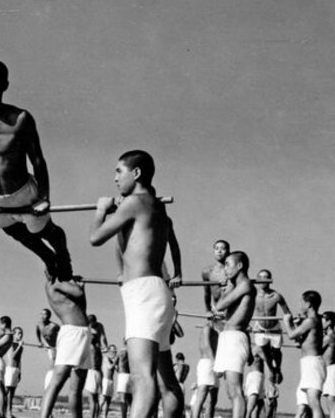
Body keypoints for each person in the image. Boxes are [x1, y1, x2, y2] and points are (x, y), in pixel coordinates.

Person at [89, 150, 184, 418]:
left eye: (119, 171)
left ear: (137, 173)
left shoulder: (134, 204)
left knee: (142, 379)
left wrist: (101, 211)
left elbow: (95, 237)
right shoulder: (155, 206)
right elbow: (126, 243)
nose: (115, 178)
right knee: (167, 383)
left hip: (143, 294)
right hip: (156, 292)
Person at [0, 58, 73, 277]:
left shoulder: (20, 118)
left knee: (48, 232)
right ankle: (47, 257)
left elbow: (38, 160)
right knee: (14, 231)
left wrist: (44, 197)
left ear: (4, 85)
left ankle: (63, 257)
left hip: (24, 194)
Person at [40, 271, 92, 418]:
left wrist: (82, 287)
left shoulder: (65, 285)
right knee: (58, 380)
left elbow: (81, 306)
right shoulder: (56, 283)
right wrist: (78, 285)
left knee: (76, 388)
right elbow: (78, 292)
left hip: (82, 332)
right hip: (72, 334)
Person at [211, 252, 256, 418]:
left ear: (240, 266)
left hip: (235, 339)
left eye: (228, 264)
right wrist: (227, 288)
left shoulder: (245, 285)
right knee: (231, 392)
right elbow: (220, 305)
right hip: (227, 337)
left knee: (235, 390)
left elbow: (220, 306)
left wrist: (228, 286)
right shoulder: (237, 286)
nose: (225, 269)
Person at [283, 291, 325, 418]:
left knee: (314, 402)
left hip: (312, 363)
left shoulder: (311, 321)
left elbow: (290, 335)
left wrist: (286, 321)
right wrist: (295, 324)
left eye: (302, 302)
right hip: (308, 363)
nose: (300, 305)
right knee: (306, 402)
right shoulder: (311, 321)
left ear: (308, 304)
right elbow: (301, 342)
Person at [252, 269, 291, 384]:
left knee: (276, 351)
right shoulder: (253, 295)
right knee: (265, 352)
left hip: (274, 328)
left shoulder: (276, 296)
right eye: (261, 277)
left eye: (266, 277)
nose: (263, 280)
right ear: (258, 280)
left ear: (270, 280)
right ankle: (271, 369)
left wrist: (293, 327)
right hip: (260, 328)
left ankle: (278, 368)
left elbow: (287, 312)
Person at [191, 320, 219, 418]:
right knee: (201, 396)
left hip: (214, 363)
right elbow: (207, 346)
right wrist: (215, 363)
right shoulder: (207, 328)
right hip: (207, 363)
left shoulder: (217, 331)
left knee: (213, 399)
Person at [84, 314, 109, 418]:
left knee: (92, 397)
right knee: (94, 398)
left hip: (93, 370)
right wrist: (104, 346)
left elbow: (103, 338)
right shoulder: (94, 347)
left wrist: (105, 346)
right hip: (94, 370)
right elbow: (103, 338)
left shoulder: (93, 346)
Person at [320, 312, 335, 418]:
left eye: (322, 320)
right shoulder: (327, 335)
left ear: (329, 322)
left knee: (331, 403)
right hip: (326, 370)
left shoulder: (330, 336)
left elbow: (315, 348)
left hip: (331, 370)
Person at [201, 240, 230, 318]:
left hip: (232, 310)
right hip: (216, 310)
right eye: (216, 249)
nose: (219, 251)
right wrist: (208, 311)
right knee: (206, 330)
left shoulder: (233, 270)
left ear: (228, 251)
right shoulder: (207, 271)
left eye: (223, 249)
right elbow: (207, 293)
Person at [5, 326, 24, 418]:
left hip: (16, 369)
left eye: (21, 333)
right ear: (14, 334)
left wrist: (20, 371)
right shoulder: (10, 344)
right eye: (18, 333)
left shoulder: (21, 347)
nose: (20, 335)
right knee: (6, 392)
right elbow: (12, 356)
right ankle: (4, 412)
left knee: (12, 394)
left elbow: (19, 360)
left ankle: (9, 412)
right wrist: (19, 346)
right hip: (10, 369)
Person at [115, 342, 133, 418]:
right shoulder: (133, 352)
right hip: (131, 375)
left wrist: (117, 369)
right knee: (130, 398)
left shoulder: (121, 352)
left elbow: (114, 364)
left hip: (122, 375)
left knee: (122, 398)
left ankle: (124, 416)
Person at [100, 344, 118, 418]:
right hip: (105, 380)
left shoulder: (112, 360)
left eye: (114, 351)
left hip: (111, 381)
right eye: (112, 351)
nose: (113, 352)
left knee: (108, 400)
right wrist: (116, 361)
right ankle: (96, 413)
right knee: (103, 399)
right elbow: (110, 367)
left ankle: (105, 416)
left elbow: (117, 370)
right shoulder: (106, 358)